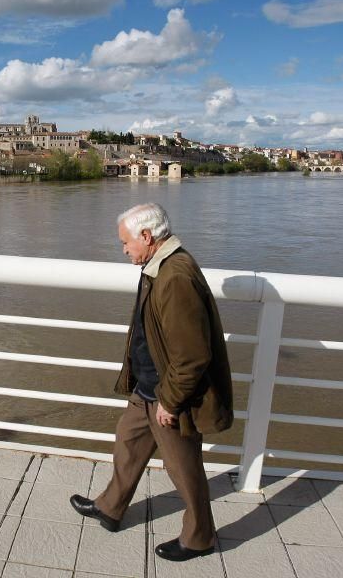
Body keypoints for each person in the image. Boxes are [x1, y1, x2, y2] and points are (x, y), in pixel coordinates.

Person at [70, 203, 234, 562]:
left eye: (126, 242)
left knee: (183, 467)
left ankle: (199, 537)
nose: (124, 249)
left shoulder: (175, 276)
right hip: (148, 386)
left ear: (147, 236)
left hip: (168, 395)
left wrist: (171, 402)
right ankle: (110, 508)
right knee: (128, 443)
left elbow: (192, 355)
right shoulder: (158, 266)